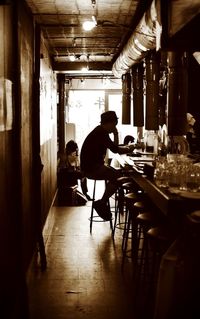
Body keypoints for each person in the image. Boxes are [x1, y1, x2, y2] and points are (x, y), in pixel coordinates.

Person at [80, 111, 135, 221]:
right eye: (114, 124)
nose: (115, 127)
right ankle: (102, 203)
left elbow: (114, 147)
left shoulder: (100, 131)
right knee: (118, 177)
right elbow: (115, 149)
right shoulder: (101, 133)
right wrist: (129, 148)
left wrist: (116, 135)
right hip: (91, 168)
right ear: (108, 123)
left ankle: (102, 203)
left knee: (117, 174)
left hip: (91, 166)